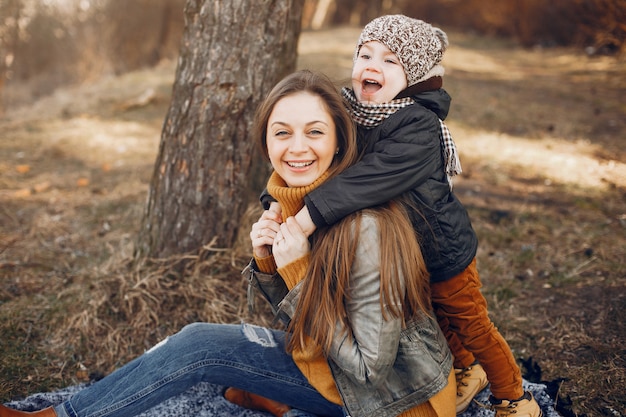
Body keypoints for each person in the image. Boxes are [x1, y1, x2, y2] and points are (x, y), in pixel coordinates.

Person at [1, 70, 455, 417]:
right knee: (204, 344)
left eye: (315, 131)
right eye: (282, 132)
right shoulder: (302, 207)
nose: (297, 147)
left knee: (203, 346)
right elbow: (315, 320)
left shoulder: (366, 225)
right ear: (266, 142)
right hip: (351, 374)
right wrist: (268, 266)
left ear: (339, 142)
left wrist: (294, 271)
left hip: (397, 401)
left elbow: (368, 370)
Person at [261, 15, 542, 417]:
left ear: (413, 77)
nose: (372, 66)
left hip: (441, 249)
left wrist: (306, 218)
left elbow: (362, 180)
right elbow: (314, 162)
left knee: (469, 323)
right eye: (365, 54)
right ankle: (464, 369)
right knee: (439, 322)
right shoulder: (355, 112)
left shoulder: (418, 128)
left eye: (391, 61)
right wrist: (275, 203)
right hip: (401, 252)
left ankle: (513, 395)